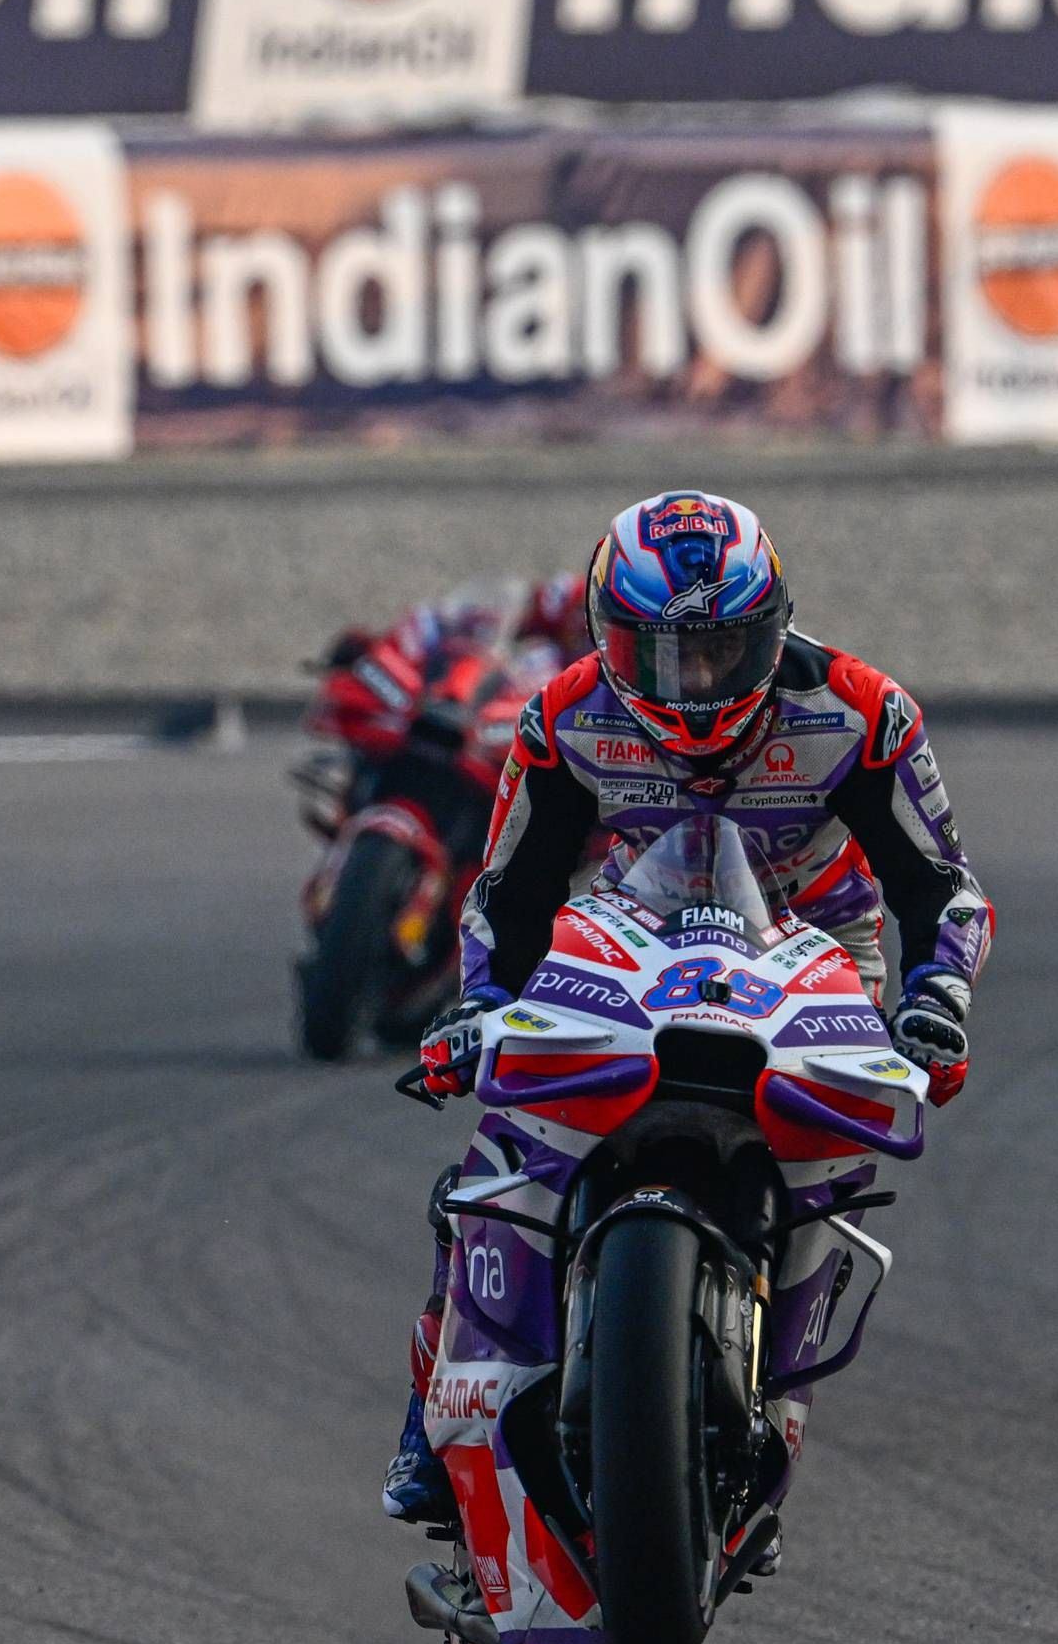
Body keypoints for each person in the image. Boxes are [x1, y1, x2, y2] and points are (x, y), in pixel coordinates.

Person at [381, 491, 993, 1525]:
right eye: (660, 655)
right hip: (631, 930)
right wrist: (484, 1007)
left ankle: (770, 1399)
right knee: (502, 1149)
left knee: (824, 1157)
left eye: (719, 650)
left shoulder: (860, 710)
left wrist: (938, 999)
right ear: (605, 636)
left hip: (817, 945)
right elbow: (506, 895)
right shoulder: (561, 715)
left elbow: (942, 888)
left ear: (773, 628)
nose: (694, 684)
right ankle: (435, 1421)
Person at [293, 575, 591, 839]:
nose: (581, 627)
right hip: (442, 710)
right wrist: (365, 651)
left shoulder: (559, 667)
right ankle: (359, 782)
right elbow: (463, 628)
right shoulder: (524, 626)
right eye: (579, 615)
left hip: (502, 750)